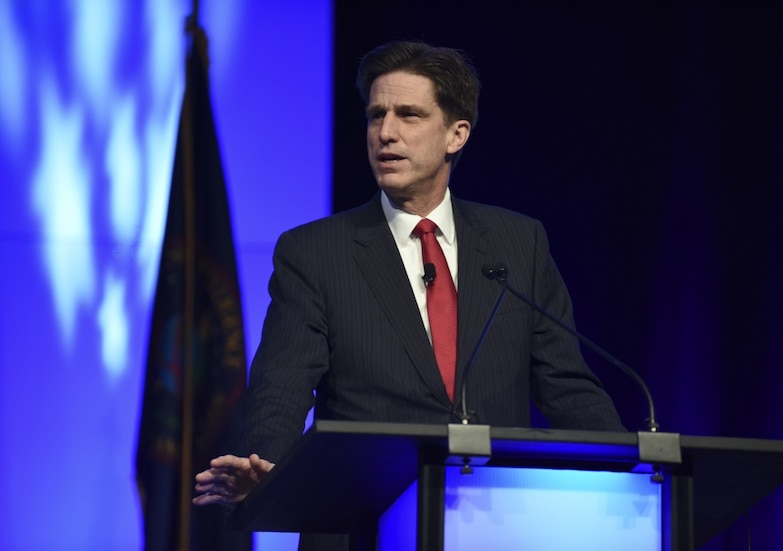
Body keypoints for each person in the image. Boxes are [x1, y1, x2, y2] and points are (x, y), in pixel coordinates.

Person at [193, 40, 625, 548]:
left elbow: (567, 386)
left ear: (456, 134)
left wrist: (632, 473)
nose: (386, 133)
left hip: (495, 522)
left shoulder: (518, 243)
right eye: (376, 115)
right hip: (362, 524)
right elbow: (283, 383)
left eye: (409, 115)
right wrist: (264, 460)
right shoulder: (314, 252)